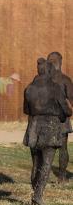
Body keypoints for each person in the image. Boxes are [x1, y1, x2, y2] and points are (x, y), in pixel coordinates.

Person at [24, 58, 71, 205]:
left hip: (33, 127)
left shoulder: (29, 89)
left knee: (36, 162)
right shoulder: (55, 88)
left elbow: (26, 110)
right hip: (50, 128)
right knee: (46, 163)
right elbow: (67, 111)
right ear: (49, 71)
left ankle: (35, 191)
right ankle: (38, 195)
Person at [46, 52, 73, 183]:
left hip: (46, 119)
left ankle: (43, 176)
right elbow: (71, 100)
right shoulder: (65, 80)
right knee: (63, 148)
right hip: (62, 120)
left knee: (46, 149)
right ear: (60, 62)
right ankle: (62, 177)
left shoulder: (42, 80)